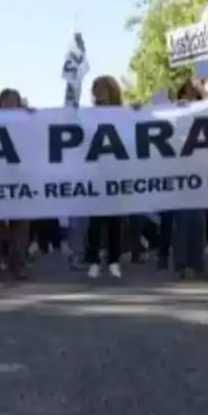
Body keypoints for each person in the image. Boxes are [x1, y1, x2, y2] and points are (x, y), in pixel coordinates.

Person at [0, 88, 33, 281]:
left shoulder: (26, 123)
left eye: (14, 102)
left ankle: (18, 264)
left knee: (20, 224)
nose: (10, 105)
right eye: (7, 102)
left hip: (20, 179)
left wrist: (34, 117)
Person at [84, 75, 126, 279]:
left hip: (116, 174)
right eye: (95, 90)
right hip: (96, 173)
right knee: (95, 221)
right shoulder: (89, 115)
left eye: (101, 89)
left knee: (115, 221)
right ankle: (93, 260)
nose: (97, 93)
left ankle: (114, 260)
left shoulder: (124, 114)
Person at [171, 80, 208, 279]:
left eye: (195, 93)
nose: (193, 95)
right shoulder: (175, 112)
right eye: (189, 91)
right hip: (181, 172)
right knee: (183, 220)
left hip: (199, 173)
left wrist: (201, 88)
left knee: (198, 221)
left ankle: (197, 264)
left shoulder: (204, 110)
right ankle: (181, 264)